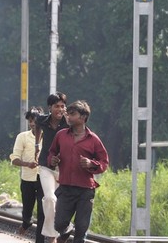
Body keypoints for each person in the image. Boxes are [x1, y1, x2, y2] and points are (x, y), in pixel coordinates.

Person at [48, 100, 109, 243]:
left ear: (83, 117)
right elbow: (51, 152)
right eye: (68, 114)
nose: (68, 117)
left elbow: (104, 162)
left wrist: (91, 164)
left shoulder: (93, 139)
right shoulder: (61, 135)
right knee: (60, 224)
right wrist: (53, 160)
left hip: (85, 190)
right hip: (65, 188)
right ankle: (67, 229)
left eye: (72, 114)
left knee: (81, 229)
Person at [36, 92, 69, 243]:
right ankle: (54, 235)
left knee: (60, 202)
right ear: (50, 107)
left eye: (62, 106)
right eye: (57, 106)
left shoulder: (68, 123)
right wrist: (37, 145)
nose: (60, 109)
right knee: (49, 198)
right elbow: (37, 126)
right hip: (45, 166)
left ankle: (59, 232)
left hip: (64, 168)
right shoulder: (42, 120)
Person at [10, 106, 45, 241]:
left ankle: (39, 240)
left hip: (43, 178)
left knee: (42, 211)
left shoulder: (48, 137)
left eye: (35, 120)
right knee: (27, 211)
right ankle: (26, 223)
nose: (32, 123)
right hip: (27, 179)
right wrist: (27, 164)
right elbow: (14, 159)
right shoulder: (22, 137)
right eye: (30, 121)